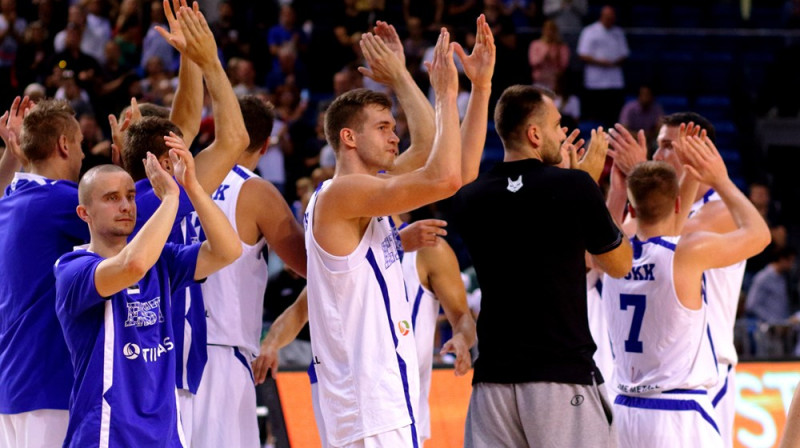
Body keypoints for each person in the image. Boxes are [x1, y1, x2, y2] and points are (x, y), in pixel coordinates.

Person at [303, 26, 465, 446]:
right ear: (349, 137)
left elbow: (429, 144)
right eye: (382, 127)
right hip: (370, 403)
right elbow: (446, 177)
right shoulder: (344, 192)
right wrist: (445, 94)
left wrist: (400, 77)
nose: (395, 135)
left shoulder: (360, 194)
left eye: (394, 126)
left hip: (374, 401)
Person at [449, 84, 632, 447]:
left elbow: (525, 219)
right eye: (557, 125)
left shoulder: (470, 198)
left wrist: (572, 187)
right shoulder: (576, 187)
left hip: (492, 381)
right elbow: (619, 264)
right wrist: (588, 186)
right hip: (560, 375)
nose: (562, 133)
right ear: (535, 134)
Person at [54, 142, 241, 447]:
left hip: (165, 433)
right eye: (112, 198)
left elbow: (228, 250)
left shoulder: (163, 260)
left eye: (129, 196)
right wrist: (170, 199)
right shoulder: (72, 268)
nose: (126, 206)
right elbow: (133, 265)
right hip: (105, 432)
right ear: (83, 212)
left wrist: (192, 187)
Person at [602, 137, 770, 447]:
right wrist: (720, 180)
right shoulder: (686, 253)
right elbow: (759, 235)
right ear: (680, 205)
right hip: (677, 412)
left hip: (623, 411)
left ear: (632, 204)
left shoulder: (611, 251)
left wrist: (683, 176)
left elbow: (659, 224)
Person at [187, 95, 306, 448]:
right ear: (266, 145)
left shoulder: (177, 175)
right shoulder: (255, 191)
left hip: (167, 350)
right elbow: (320, 270)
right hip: (222, 351)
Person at [0, 98, 85, 448]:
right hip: (50, 381)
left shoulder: (10, 201)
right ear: (64, 145)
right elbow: (143, 223)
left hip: (12, 382)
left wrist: (12, 154)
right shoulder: (65, 202)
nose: (82, 156)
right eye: (79, 145)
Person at [402, 236, 476, 444]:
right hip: (341, 399)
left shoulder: (427, 248)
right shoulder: (344, 244)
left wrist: (461, 338)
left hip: (400, 410)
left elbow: (463, 317)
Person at [577, 5, 629, 127]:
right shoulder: (589, 31)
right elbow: (583, 54)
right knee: (596, 119)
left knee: (613, 119)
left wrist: (614, 62)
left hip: (614, 82)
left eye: (612, 17)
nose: (610, 20)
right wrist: (602, 62)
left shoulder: (618, 32)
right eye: (607, 17)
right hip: (595, 83)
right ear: (602, 16)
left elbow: (625, 54)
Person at [745, 246, 797, 323]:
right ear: (782, 259)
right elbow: (751, 305)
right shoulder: (763, 278)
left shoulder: (784, 277)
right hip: (767, 328)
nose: (792, 265)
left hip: (783, 327)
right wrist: (771, 320)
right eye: (791, 261)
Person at [528, 19, 569, 90]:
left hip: (555, 81)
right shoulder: (535, 44)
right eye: (547, 29)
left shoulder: (562, 46)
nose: (549, 32)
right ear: (543, 30)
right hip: (539, 80)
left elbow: (564, 65)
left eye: (552, 30)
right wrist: (545, 52)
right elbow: (533, 62)